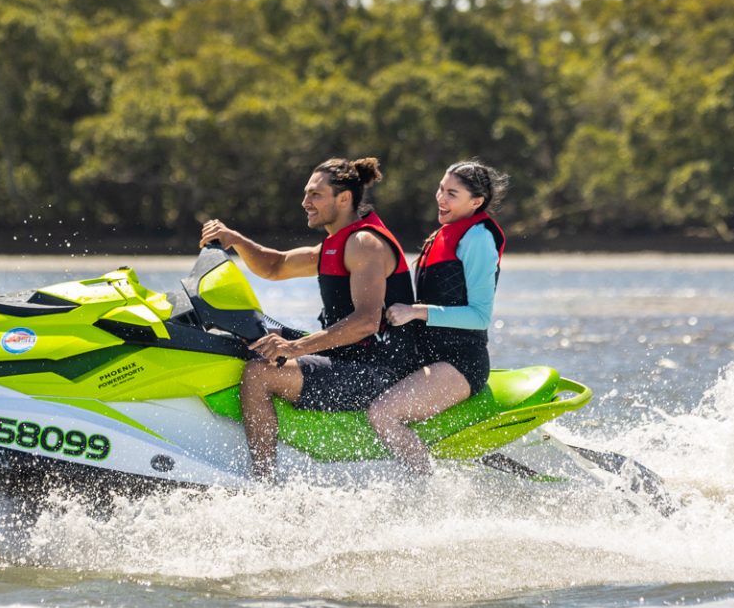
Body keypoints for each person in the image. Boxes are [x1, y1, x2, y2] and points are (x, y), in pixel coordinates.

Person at [199, 156, 416, 480]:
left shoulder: (364, 243)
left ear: (343, 198)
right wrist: (237, 241)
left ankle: (264, 482)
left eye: (315, 194)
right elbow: (276, 265)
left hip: (380, 372)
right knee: (247, 342)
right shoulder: (336, 244)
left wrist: (293, 348)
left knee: (259, 374)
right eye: (306, 194)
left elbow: (366, 322)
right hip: (350, 358)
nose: (305, 203)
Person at [370, 161, 508, 475]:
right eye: (441, 189)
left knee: (383, 413)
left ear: (476, 202)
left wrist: (414, 312)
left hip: (460, 362)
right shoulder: (442, 235)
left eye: (452, 194)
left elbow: (480, 316)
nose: (441, 198)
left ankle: (427, 493)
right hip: (425, 355)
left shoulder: (478, 240)